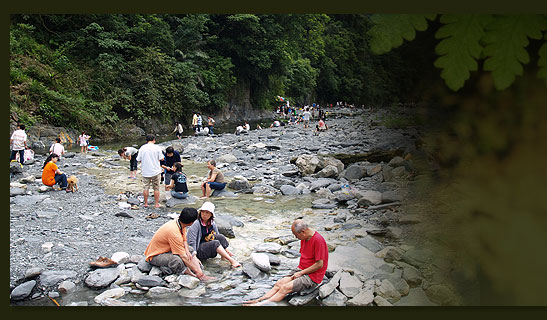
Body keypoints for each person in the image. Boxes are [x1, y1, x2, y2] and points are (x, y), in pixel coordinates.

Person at [243, 219, 328, 305]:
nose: (296, 238)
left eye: (296, 235)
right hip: (302, 270)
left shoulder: (318, 240)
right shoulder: (304, 238)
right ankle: (259, 300)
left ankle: (259, 305)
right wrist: (299, 272)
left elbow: (320, 264)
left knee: (285, 288)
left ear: (303, 232)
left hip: (313, 276)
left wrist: (301, 273)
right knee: (279, 283)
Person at [144, 207, 216, 281]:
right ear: (191, 223)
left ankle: (198, 272)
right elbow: (183, 257)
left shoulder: (180, 222)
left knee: (190, 249)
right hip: (154, 255)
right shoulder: (174, 232)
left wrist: (188, 252)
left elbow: (184, 239)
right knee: (177, 260)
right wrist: (198, 272)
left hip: (167, 249)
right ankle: (192, 274)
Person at [187, 202, 241, 269]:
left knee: (220, 236)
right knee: (215, 243)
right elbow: (191, 242)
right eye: (203, 212)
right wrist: (194, 257)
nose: (204, 214)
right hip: (197, 250)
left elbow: (217, 236)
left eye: (207, 212)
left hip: (206, 244)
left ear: (211, 214)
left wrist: (225, 249)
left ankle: (225, 255)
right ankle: (231, 260)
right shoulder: (196, 224)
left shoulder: (212, 223)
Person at [136, 134, 164, 208]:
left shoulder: (142, 148)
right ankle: (156, 204)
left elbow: (138, 159)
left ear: (146, 140)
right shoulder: (157, 147)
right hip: (156, 170)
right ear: (154, 140)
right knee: (156, 188)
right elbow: (161, 158)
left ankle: (145, 203)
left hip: (145, 171)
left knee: (145, 187)